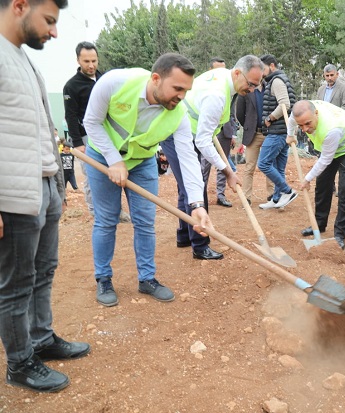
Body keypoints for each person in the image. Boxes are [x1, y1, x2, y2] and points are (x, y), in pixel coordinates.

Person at [0, 0, 90, 393]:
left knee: (44, 271)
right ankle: (19, 363)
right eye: (50, 20)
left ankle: (41, 338)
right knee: (16, 284)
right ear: (20, 5)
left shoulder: (21, 58)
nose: (54, 32)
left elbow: (41, 126)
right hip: (12, 192)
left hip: (43, 184)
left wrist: (56, 185)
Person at [83, 53, 214, 306]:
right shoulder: (114, 83)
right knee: (107, 219)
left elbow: (188, 158)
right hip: (102, 157)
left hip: (142, 162)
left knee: (145, 222)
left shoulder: (179, 114)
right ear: (156, 79)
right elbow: (92, 122)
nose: (182, 96)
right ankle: (103, 278)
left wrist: (197, 206)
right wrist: (113, 160)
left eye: (186, 90)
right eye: (177, 88)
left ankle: (147, 278)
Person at [162, 55, 258, 260]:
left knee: (186, 186)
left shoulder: (225, 77)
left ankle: (184, 235)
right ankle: (200, 244)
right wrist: (228, 171)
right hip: (178, 134)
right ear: (238, 73)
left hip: (188, 131)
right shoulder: (217, 95)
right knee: (195, 185)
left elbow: (208, 130)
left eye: (256, 86)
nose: (251, 90)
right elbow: (203, 142)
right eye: (251, 84)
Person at [63, 41, 131, 222]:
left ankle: (117, 211)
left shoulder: (105, 79)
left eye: (94, 60)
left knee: (114, 171)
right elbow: (70, 116)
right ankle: (97, 212)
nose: (91, 65)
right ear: (78, 60)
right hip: (86, 137)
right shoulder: (71, 86)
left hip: (109, 134)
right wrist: (78, 143)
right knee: (91, 175)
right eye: (86, 61)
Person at [289, 100, 345, 250]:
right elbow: (291, 121)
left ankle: (340, 234)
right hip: (331, 146)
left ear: (316, 113)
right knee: (323, 185)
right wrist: (289, 135)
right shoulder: (297, 114)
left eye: (308, 124)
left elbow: (325, 159)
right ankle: (319, 224)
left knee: (344, 190)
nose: (304, 129)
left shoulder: (331, 129)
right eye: (301, 125)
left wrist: (306, 178)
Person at [257, 54, 298, 209]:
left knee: (263, 163)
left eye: (263, 68)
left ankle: (287, 191)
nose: (261, 72)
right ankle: (276, 199)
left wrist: (270, 118)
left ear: (272, 66)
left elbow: (285, 104)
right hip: (281, 131)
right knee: (278, 167)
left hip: (277, 130)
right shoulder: (278, 80)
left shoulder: (277, 81)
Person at [200, 57, 237, 208]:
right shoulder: (206, 87)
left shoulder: (230, 87)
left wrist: (234, 133)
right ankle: (200, 195)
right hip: (208, 131)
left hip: (225, 130)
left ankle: (220, 195)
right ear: (210, 70)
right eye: (218, 69)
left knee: (224, 162)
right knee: (205, 163)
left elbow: (232, 111)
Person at [236, 74, 274, 204]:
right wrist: (248, 126)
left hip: (269, 133)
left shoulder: (270, 89)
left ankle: (271, 195)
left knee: (269, 164)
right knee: (249, 166)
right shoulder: (245, 91)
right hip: (253, 134)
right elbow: (239, 113)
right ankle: (246, 197)